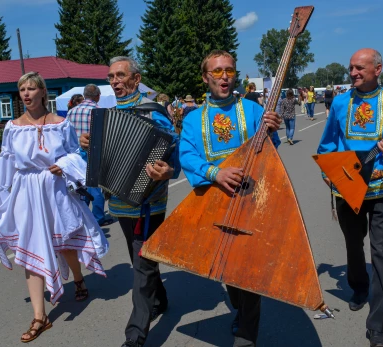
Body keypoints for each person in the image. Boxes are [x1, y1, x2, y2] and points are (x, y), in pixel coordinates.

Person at [0, 72, 109, 343]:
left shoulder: (61, 123)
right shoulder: (12, 127)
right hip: (26, 193)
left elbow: (75, 153)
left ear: (42, 93)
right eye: (22, 89)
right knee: (31, 247)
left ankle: (78, 279)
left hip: (56, 190)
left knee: (66, 242)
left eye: (31, 89)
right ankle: (40, 316)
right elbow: (6, 163)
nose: (26, 94)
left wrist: (64, 165)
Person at [179, 50, 281, 347]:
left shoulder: (252, 108)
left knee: (251, 270)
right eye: (217, 71)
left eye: (229, 70)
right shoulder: (193, 118)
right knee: (228, 269)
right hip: (214, 200)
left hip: (253, 200)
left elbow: (270, 154)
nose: (224, 76)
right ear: (205, 77)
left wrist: (272, 131)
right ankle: (240, 306)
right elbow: (187, 154)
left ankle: (247, 334)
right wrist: (215, 173)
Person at [317, 48, 383, 347]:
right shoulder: (340, 102)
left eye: (360, 68)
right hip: (348, 189)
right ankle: (358, 286)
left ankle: (377, 327)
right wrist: (327, 170)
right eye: (351, 68)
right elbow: (328, 144)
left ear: (378, 69)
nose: (353, 73)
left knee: (382, 255)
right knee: (352, 243)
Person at [79, 56, 179, 347]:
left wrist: (168, 169)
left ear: (136, 79)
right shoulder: (104, 116)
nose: (114, 81)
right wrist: (86, 145)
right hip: (120, 203)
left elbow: (175, 154)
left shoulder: (154, 113)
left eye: (120, 76)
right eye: (111, 77)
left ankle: (135, 336)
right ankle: (160, 299)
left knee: (142, 265)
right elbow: (96, 162)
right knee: (140, 259)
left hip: (149, 202)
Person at [67, 84, 112, 226]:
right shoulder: (98, 111)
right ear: (98, 96)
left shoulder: (71, 112)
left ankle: (83, 216)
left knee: (81, 186)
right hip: (93, 152)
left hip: (75, 154)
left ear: (84, 95)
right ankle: (98, 218)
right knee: (96, 186)